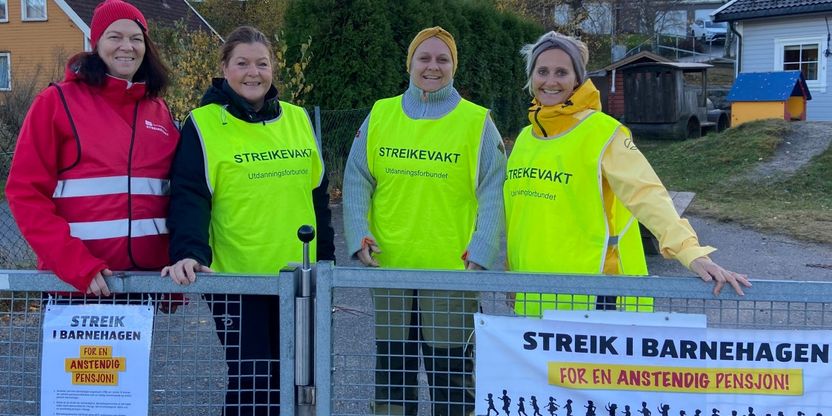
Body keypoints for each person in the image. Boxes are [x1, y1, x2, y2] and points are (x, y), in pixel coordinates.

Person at [505, 31, 751, 317]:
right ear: (531, 75)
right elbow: (518, 218)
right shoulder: (524, 139)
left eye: (562, 71)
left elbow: (647, 194)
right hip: (534, 293)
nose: (550, 81)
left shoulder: (603, 133)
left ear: (577, 79)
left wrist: (691, 252)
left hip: (591, 294)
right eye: (542, 71)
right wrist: (512, 276)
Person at [161, 26, 335, 415]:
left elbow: (317, 197)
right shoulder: (203, 124)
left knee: (300, 377)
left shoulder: (298, 118)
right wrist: (188, 251)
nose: (252, 72)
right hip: (237, 279)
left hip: (298, 277)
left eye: (262, 63)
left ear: (273, 69)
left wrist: (327, 264)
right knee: (253, 380)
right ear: (224, 69)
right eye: (242, 63)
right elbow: (190, 195)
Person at [343, 26, 506, 415]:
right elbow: (356, 178)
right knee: (393, 374)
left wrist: (481, 252)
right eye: (424, 58)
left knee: (450, 377)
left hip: (452, 270)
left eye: (442, 59)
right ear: (411, 64)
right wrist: (358, 235)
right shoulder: (381, 114)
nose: (433, 66)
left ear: (453, 66)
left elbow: (493, 191)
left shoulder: (477, 121)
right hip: (390, 267)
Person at [6, 0, 178, 298]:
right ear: (95, 43)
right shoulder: (56, 102)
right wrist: (76, 265)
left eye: (136, 38)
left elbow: (175, 195)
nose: (127, 46)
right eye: (115, 37)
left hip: (144, 285)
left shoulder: (159, 111)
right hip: (78, 285)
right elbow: (26, 193)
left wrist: (173, 268)